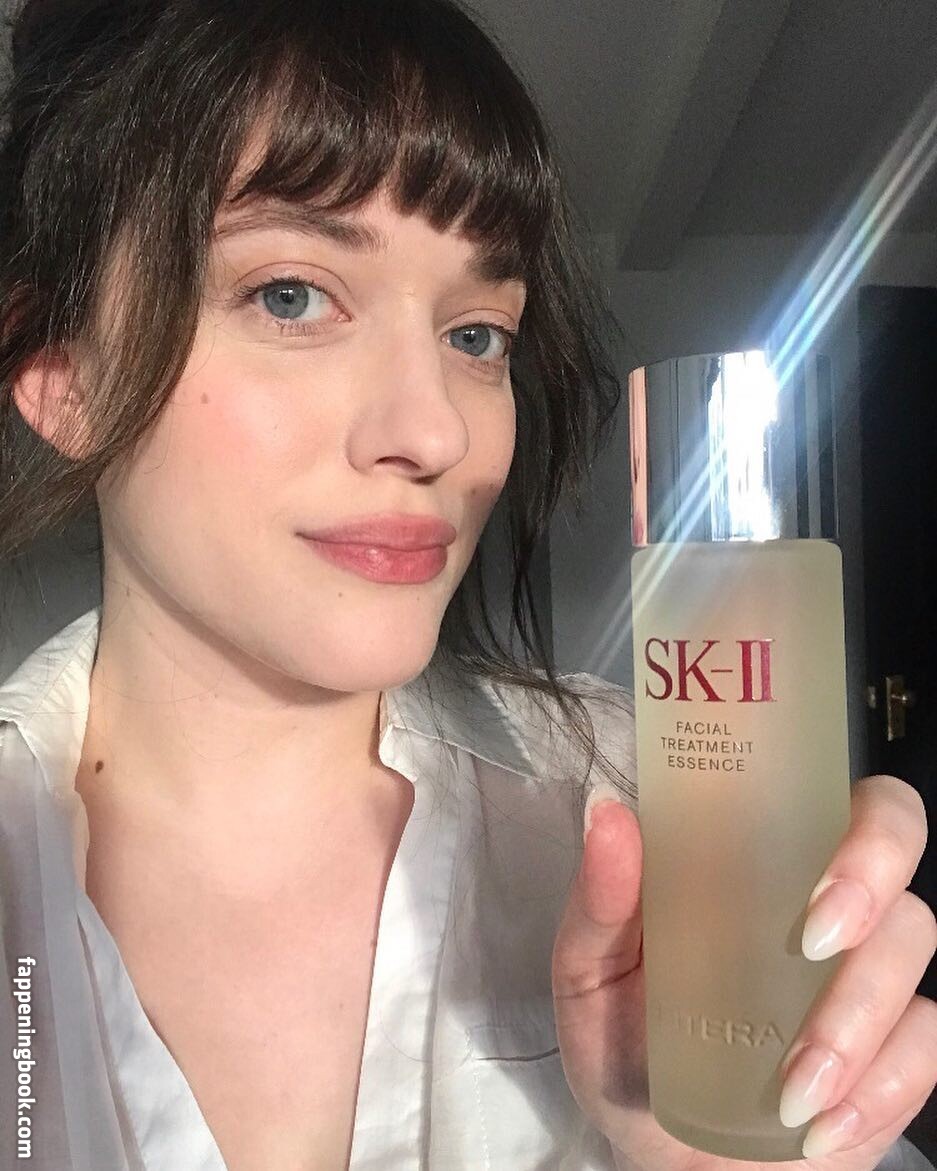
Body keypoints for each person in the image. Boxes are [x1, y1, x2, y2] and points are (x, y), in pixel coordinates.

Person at [0, 1, 934, 1169]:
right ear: (61, 373)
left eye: (478, 334)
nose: (438, 432)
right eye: (291, 295)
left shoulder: (642, 807)